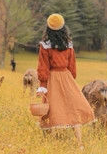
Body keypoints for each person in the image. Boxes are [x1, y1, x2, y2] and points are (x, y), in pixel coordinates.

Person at [36, 13, 94, 146]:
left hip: (52, 78)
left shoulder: (45, 45)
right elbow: (72, 66)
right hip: (66, 76)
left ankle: (48, 143)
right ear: (63, 28)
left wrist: (43, 84)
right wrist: (70, 79)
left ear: (48, 28)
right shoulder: (68, 44)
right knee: (73, 107)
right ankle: (79, 144)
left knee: (50, 108)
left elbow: (43, 66)